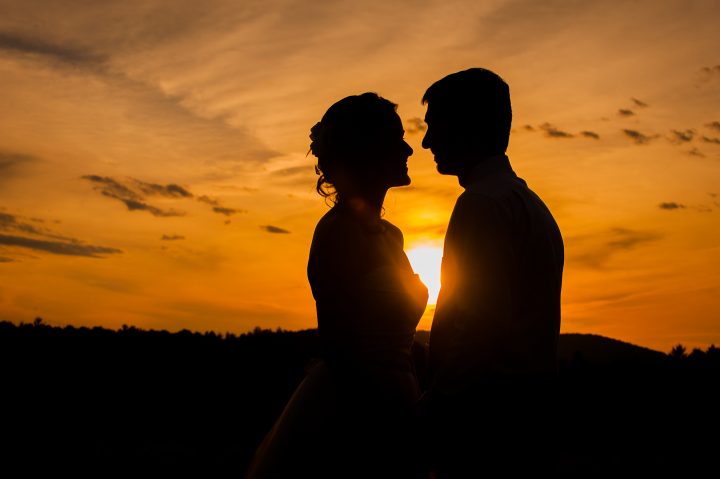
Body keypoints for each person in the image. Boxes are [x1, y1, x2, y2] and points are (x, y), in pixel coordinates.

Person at [245, 93, 428, 479]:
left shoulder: (391, 236)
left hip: (402, 394)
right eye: (397, 139)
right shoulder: (338, 234)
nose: (409, 147)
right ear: (368, 151)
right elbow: (340, 348)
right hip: (356, 412)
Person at [419, 68, 565, 476]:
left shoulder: (482, 205)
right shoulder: (529, 203)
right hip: (531, 417)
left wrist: (440, 401)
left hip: (488, 423)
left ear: (467, 126)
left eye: (435, 127)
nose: (427, 142)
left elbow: (478, 322)